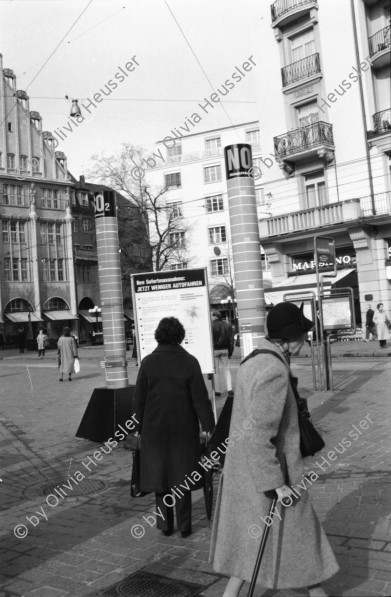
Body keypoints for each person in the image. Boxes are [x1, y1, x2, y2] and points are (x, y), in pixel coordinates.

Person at [210, 302, 339, 597]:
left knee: (255, 546)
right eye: (303, 335)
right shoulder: (274, 371)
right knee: (302, 544)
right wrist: (275, 484)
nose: (306, 341)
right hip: (272, 475)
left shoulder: (253, 360)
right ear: (291, 339)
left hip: (245, 473)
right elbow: (259, 434)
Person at [134, 316, 215, 538]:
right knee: (182, 478)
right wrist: (208, 427)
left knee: (161, 479)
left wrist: (137, 427)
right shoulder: (189, 362)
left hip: (155, 430)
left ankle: (165, 526)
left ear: (159, 335)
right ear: (179, 336)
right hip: (183, 430)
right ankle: (186, 526)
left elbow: (139, 399)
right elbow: (200, 400)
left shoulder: (149, 362)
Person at [211, 310, 234, 397]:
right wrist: (230, 351)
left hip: (214, 350)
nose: (211, 317)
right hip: (225, 349)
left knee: (216, 371)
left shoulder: (211, 326)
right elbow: (231, 340)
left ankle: (217, 391)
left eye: (212, 316)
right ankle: (230, 389)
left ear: (216, 316)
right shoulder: (226, 325)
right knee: (226, 370)